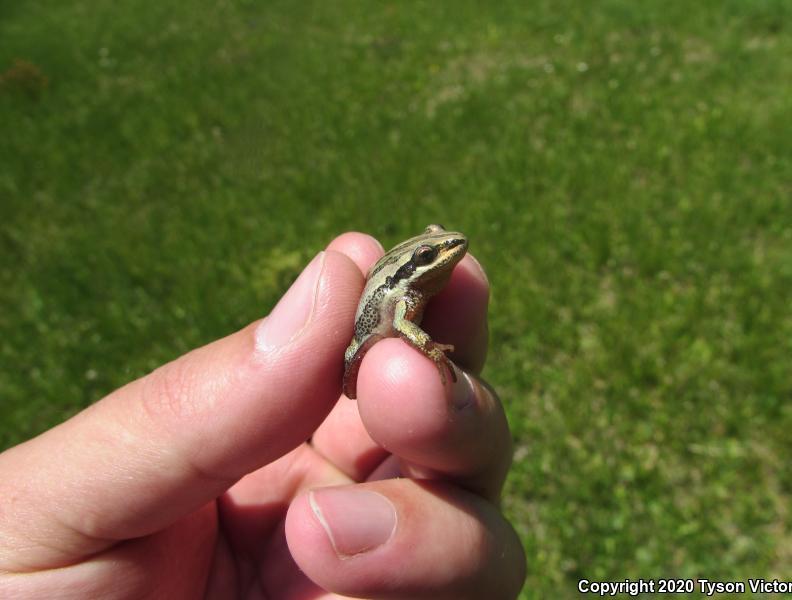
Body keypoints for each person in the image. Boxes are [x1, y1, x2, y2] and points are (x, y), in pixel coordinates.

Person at [0, 232, 526, 598]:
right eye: (435, 250)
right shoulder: (404, 289)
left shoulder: (417, 283)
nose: (450, 251)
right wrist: (427, 348)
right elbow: (401, 321)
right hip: (364, 345)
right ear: (417, 263)